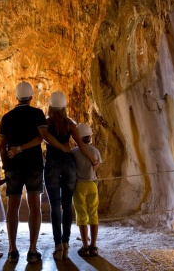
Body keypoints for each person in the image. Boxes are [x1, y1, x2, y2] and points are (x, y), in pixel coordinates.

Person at [0, 81, 70, 263]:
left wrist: (6, 163)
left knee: (12, 206)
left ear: (16, 97)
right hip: (34, 166)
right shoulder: (37, 114)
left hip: (13, 166)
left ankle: (12, 250)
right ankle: (32, 250)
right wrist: (61, 146)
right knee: (34, 206)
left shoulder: (7, 117)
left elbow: (2, 144)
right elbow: (42, 137)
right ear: (31, 97)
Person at [44, 91, 98, 261]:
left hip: (52, 163)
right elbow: (81, 145)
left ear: (51, 107)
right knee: (67, 206)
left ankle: (58, 246)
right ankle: (66, 244)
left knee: (55, 206)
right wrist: (93, 160)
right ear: (64, 107)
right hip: (68, 165)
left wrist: (58, 146)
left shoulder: (46, 124)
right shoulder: (70, 125)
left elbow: (44, 138)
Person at [72, 123, 102, 257]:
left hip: (79, 185)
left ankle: (84, 247)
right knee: (93, 215)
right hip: (92, 185)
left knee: (82, 216)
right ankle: (94, 246)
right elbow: (96, 167)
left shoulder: (73, 152)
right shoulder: (95, 151)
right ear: (90, 136)